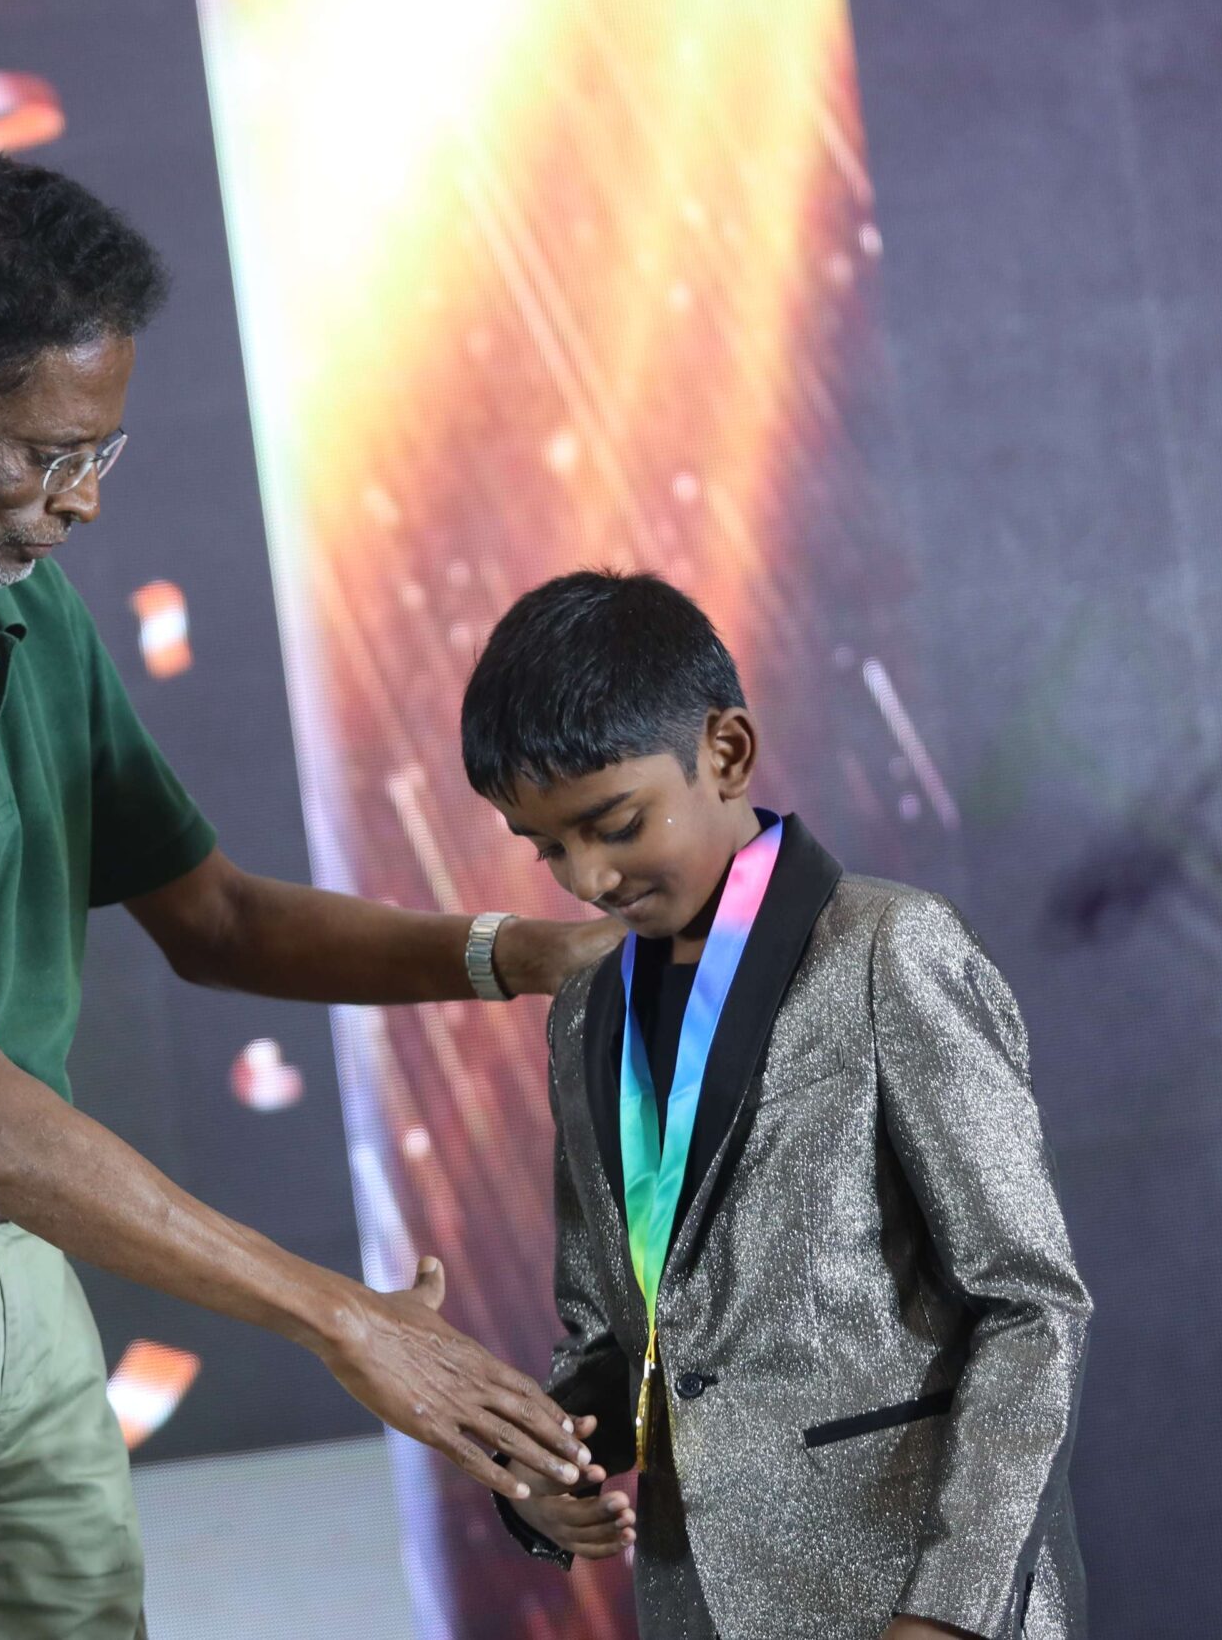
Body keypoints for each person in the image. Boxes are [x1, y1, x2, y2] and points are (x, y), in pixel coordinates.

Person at [0, 151, 620, 1638]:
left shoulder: (24, 604)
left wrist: (531, 951)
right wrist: (339, 1315)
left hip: (8, 1249)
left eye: (102, 453)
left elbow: (216, 921)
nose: (79, 501)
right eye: (44, 454)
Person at [458, 570, 1090, 1640]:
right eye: (548, 846)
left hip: (918, 1599)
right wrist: (540, 1474)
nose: (588, 877)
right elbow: (613, 1337)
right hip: (697, 1607)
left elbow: (1030, 1309)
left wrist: (952, 1612)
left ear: (728, 750)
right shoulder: (581, 1019)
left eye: (615, 823)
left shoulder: (892, 949)